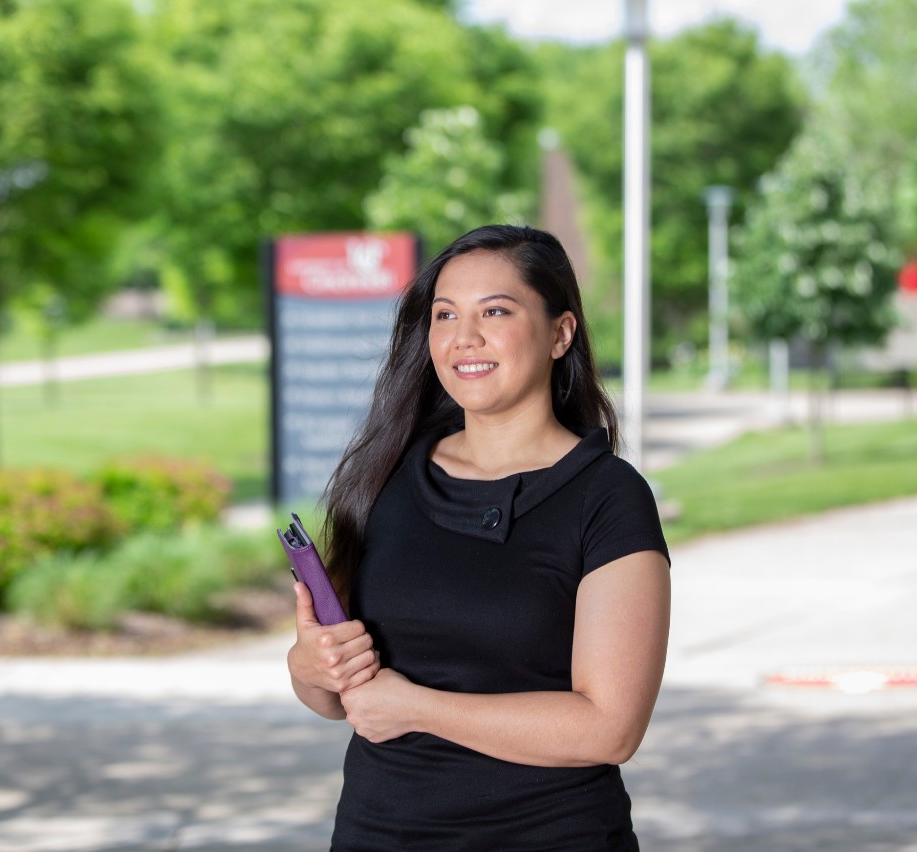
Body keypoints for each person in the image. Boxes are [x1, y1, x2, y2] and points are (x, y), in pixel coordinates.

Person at [286, 224, 671, 850]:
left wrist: (418, 708)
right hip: (377, 833)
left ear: (560, 333)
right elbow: (342, 695)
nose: (465, 338)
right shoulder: (385, 475)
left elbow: (610, 729)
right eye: (445, 314)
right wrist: (310, 669)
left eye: (495, 310)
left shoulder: (608, 498)